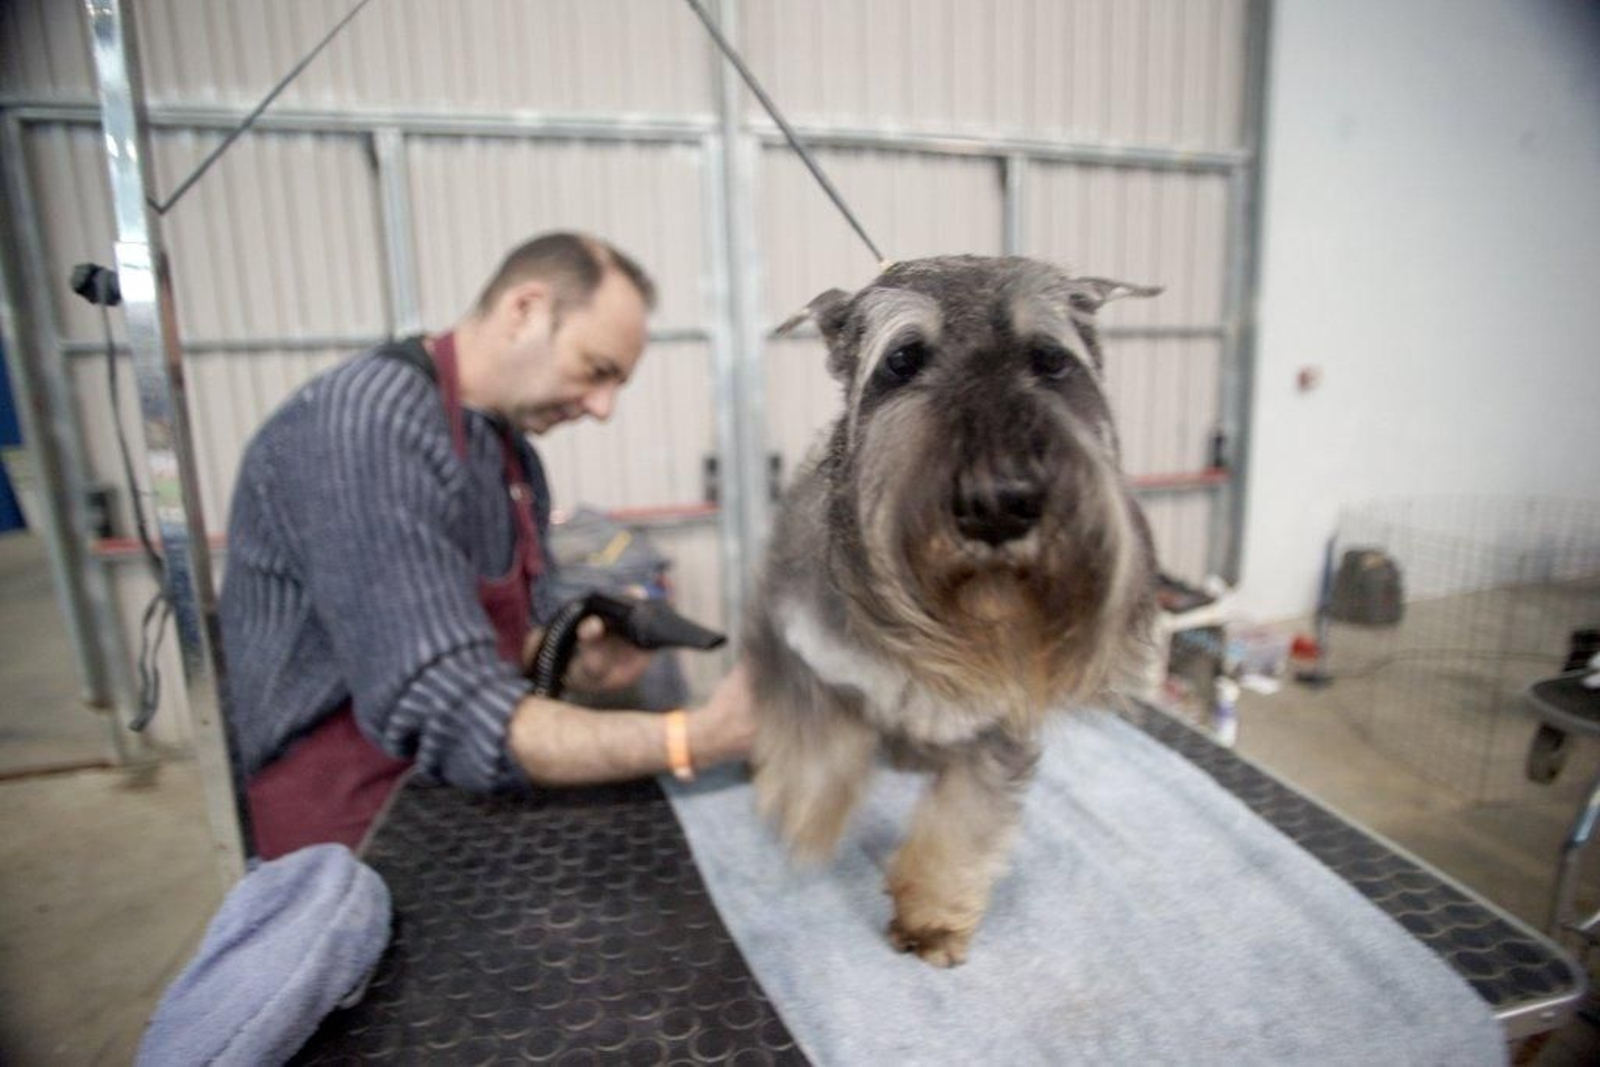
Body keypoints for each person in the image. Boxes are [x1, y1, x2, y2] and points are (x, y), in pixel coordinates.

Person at [219, 232, 754, 858]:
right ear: (524, 309)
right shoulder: (365, 426)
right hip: (346, 831)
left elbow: (492, 637)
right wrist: (694, 739)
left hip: (448, 801)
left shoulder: (507, 452)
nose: (604, 408)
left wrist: (570, 656)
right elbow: (452, 707)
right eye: (596, 369)